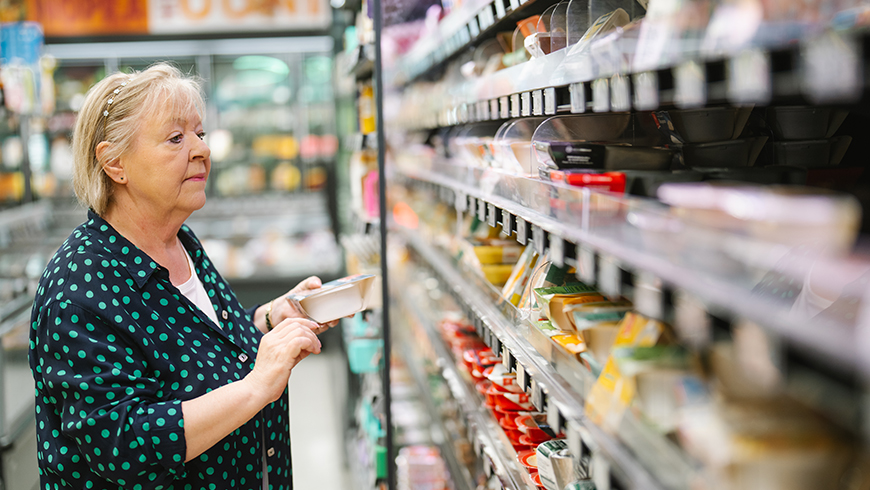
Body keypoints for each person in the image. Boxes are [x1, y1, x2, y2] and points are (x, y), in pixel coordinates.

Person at [29, 63, 334, 490]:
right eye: (176, 138)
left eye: (200, 134)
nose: (202, 150)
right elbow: (120, 446)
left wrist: (266, 320)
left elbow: (198, 350)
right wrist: (257, 385)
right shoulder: (79, 289)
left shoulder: (181, 242)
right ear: (115, 163)